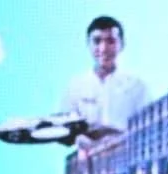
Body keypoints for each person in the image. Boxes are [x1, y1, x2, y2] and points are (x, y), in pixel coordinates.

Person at [60, 16, 149, 146]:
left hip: (126, 156)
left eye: (111, 41)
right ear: (88, 44)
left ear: (122, 44)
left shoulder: (137, 87)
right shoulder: (75, 87)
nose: (103, 48)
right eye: (97, 41)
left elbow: (147, 130)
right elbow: (63, 133)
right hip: (86, 157)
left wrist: (114, 134)